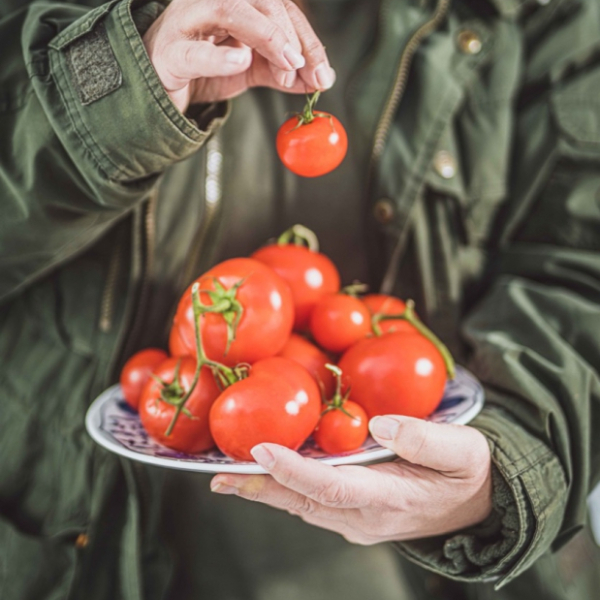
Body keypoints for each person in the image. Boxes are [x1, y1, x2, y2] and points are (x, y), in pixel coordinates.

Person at [1, 0, 599, 598]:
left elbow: (580, 271)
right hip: (74, 529)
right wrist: (117, 92)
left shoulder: (546, 14)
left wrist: (505, 464)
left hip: (404, 566)